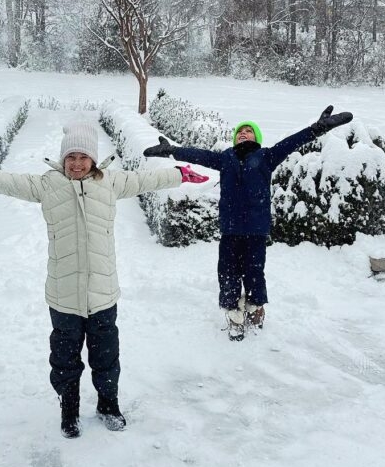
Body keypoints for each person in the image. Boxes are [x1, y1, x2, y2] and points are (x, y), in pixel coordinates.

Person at [0, 121, 207, 438]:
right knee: (64, 359)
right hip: (64, 295)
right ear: (63, 159)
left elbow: (146, 179)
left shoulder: (110, 183)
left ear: (93, 159)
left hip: (102, 293)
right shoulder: (47, 185)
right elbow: (6, 182)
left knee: (106, 357)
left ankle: (108, 404)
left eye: (83, 157)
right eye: (71, 157)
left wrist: (179, 174)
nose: (77, 164)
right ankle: (69, 410)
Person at [143, 106, 353, 340]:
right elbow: (198, 155)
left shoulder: (266, 156)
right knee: (228, 272)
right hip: (231, 229)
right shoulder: (225, 158)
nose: (243, 133)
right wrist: (172, 151)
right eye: (240, 131)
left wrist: (318, 129)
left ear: (257, 138)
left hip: (256, 229)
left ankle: (255, 309)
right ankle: (234, 316)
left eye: (249, 131)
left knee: (254, 272)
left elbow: (292, 142)